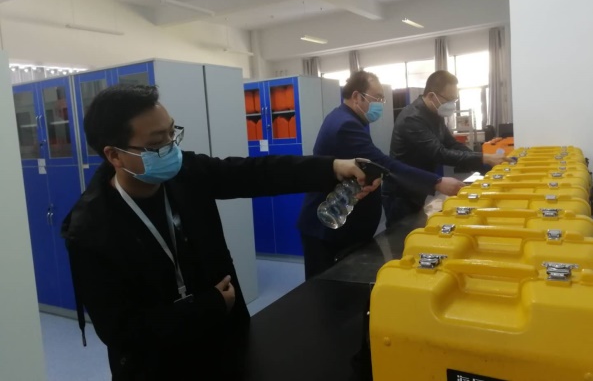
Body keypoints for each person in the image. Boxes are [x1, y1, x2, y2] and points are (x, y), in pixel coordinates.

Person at [61, 84, 380, 381]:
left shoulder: (185, 173)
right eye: (157, 144)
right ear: (114, 155)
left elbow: (256, 174)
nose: (171, 148)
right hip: (158, 366)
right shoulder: (90, 230)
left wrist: (332, 168)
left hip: (228, 339)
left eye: (172, 133)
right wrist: (209, 306)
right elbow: (121, 330)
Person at [296, 70, 464, 280]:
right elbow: (383, 163)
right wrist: (436, 182)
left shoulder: (348, 119)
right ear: (357, 96)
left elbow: (368, 167)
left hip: (343, 226)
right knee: (325, 290)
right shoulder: (345, 125)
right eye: (377, 98)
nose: (380, 104)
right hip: (330, 224)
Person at [382, 70, 511, 227]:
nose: (452, 104)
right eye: (449, 99)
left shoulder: (434, 114)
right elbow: (439, 153)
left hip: (418, 186)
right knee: (402, 235)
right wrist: (484, 158)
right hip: (401, 191)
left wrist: (485, 165)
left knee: (417, 227)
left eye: (454, 99)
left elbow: (452, 144)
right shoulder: (412, 118)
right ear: (432, 96)